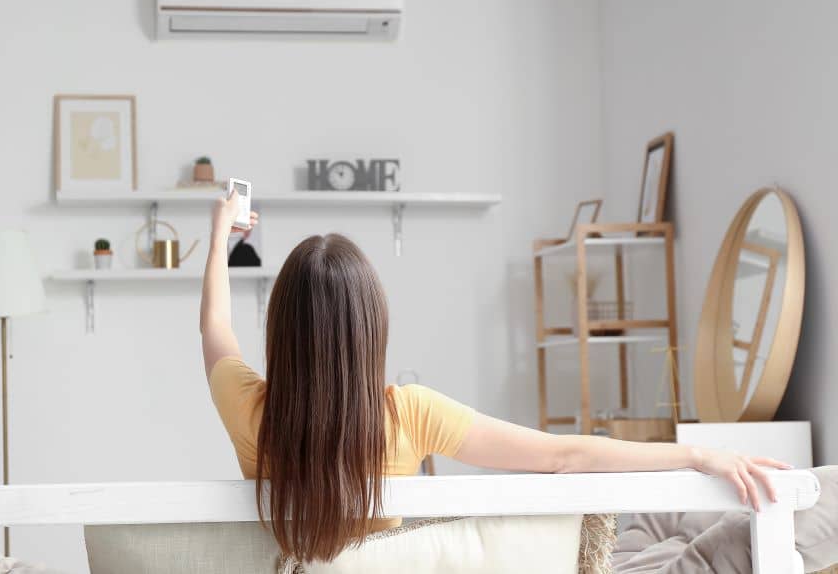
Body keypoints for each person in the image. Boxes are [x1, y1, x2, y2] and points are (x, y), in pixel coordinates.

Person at [200, 192, 790, 564]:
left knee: (671, 534)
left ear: (280, 328)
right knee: (689, 542)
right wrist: (696, 456)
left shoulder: (246, 407)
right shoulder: (408, 412)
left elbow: (215, 324)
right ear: (370, 329)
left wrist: (220, 231)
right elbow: (562, 457)